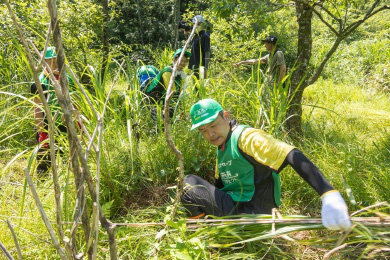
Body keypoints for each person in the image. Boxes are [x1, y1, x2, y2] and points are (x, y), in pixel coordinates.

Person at [181, 99, 352, 231]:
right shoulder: (224, 144)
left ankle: (204, 232)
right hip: (241, 206)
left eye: (213, 125)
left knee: (188, 183)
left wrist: (328, 193)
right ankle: (214, 230)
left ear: (226, 116)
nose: (210, 134)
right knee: (196, 187)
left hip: (252, 212)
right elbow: (224, 181)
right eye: (203, 130)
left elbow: (291, 154)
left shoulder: (247, 138)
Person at [31, 47, 74, 175]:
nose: (55, 64)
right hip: (46, 126)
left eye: (57, 60)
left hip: (65, 125)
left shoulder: (67, 79)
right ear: (45, 62)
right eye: (51, 61)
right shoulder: (40, 82)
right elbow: (37, 110)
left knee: (69, 158)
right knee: (44, 161)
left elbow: (74, 101)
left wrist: (79, 121)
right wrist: (42, 133)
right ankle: (41, 184)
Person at [145, 48, 191, 119]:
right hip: (153, 98)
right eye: (181, 60)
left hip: (165, 99)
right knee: (160, 123)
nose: (183, 63)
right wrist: (178, 109)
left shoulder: (181, 75)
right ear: (174, 60)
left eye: (185, 61)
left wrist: (181, 110)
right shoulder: (167, 71)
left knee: (171, 118)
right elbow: (172, 92)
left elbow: (181, 93)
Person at [185, 15, 211, 79]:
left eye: (198, 24)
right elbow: (192, 44)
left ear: (202, 24)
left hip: (201, 67)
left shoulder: (205, 36)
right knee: (195, 86)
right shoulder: (196, 35)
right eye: (195, 24)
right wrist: (186, 34)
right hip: (194, 66)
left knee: (200, 86)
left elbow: (207, 53)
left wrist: (205, 69)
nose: (196, 26)